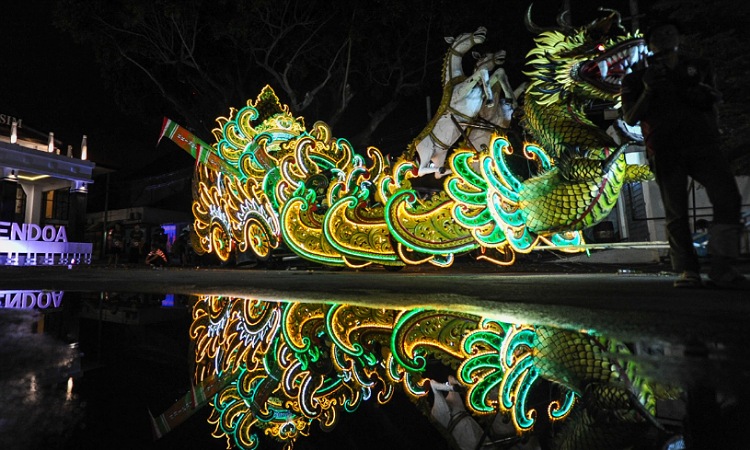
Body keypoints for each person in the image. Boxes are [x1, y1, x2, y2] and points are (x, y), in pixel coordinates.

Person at [621, 20, 744, 288]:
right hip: (665, 148)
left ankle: (724, 266)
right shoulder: (636, 77)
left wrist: (705, 97)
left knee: (728, 198)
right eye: (658, 33)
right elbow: (630, 117)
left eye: (671, 31)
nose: (666, 36)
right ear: (649, 43)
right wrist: (648, 90)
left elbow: (713, 100)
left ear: (679, 37)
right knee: (676, 211)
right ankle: (688, 270)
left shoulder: (699, 67)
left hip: (703, 143)